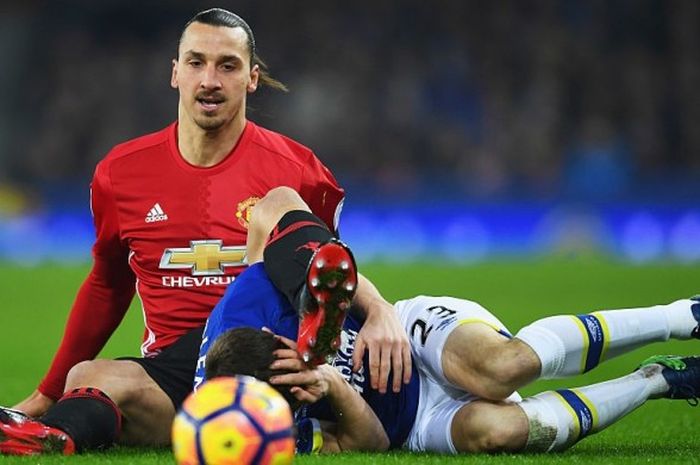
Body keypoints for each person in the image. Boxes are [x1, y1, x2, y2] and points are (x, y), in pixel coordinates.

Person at [0, 8, 410, 456]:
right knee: (87, 377)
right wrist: (45, 393)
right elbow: (108, 285)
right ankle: (52, 437)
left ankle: (283, 419)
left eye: (227, 66)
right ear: (175, 73)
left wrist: (379, 310)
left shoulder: (299, 172)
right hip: (176, 371)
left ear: (252, 78)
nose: (209, 80)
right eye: (196, 63)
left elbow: (327, 269)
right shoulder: (120, 175)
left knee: (281, 209)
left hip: (271, 354)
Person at [198, 190, 700, 454]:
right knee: (502, 431)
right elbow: (366, 445)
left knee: (504, 368)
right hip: (411, 423)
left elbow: (277, 201)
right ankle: (658, 380)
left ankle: (682, 315)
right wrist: (331, 384)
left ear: (270, 337)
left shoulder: (250, 300)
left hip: (410, 338)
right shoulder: (259, 430)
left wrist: (376, 312)